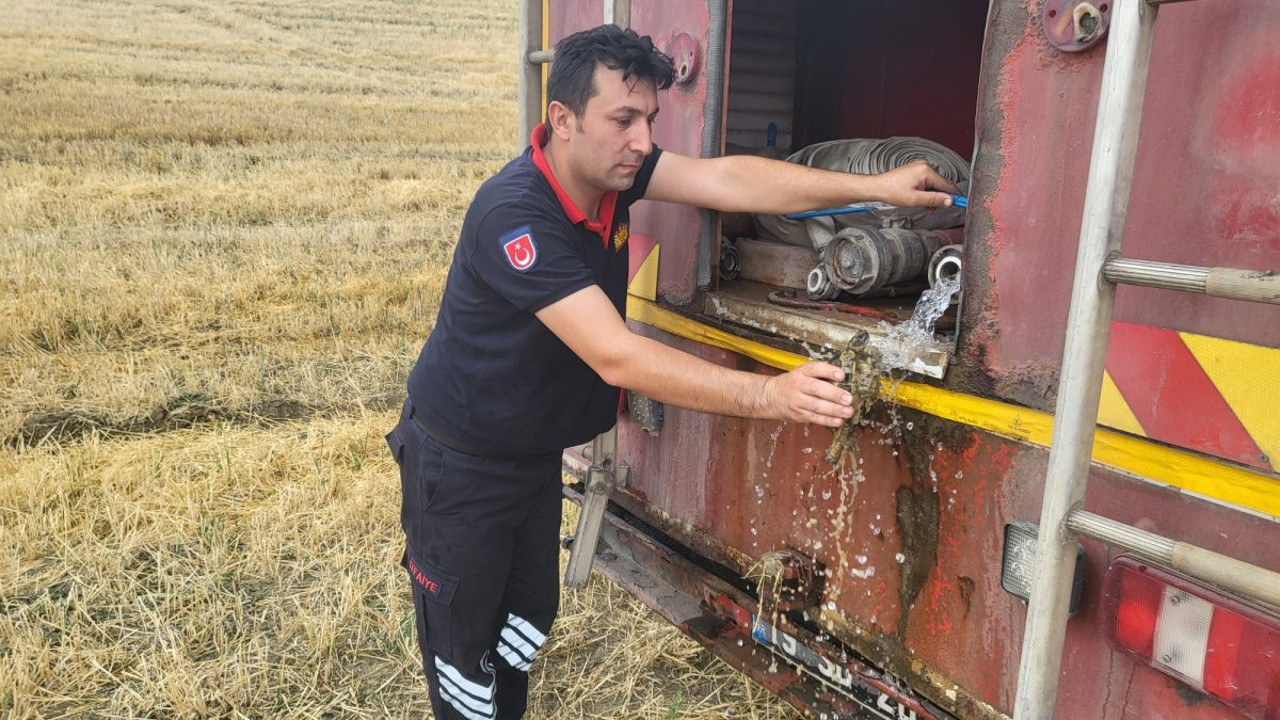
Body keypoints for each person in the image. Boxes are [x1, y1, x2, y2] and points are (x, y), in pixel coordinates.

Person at [385, 24, 957, 720]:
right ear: (562, 120)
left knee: (526, 621)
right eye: (623, 119)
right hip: (462, 466)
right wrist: (769, 395)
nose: (642, 140)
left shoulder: (613, 176)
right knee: (464, 658)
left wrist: (875, 188)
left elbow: (726, 179)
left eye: (650, 120)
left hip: (530, 455)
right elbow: (616, 354)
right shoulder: (514, 215)